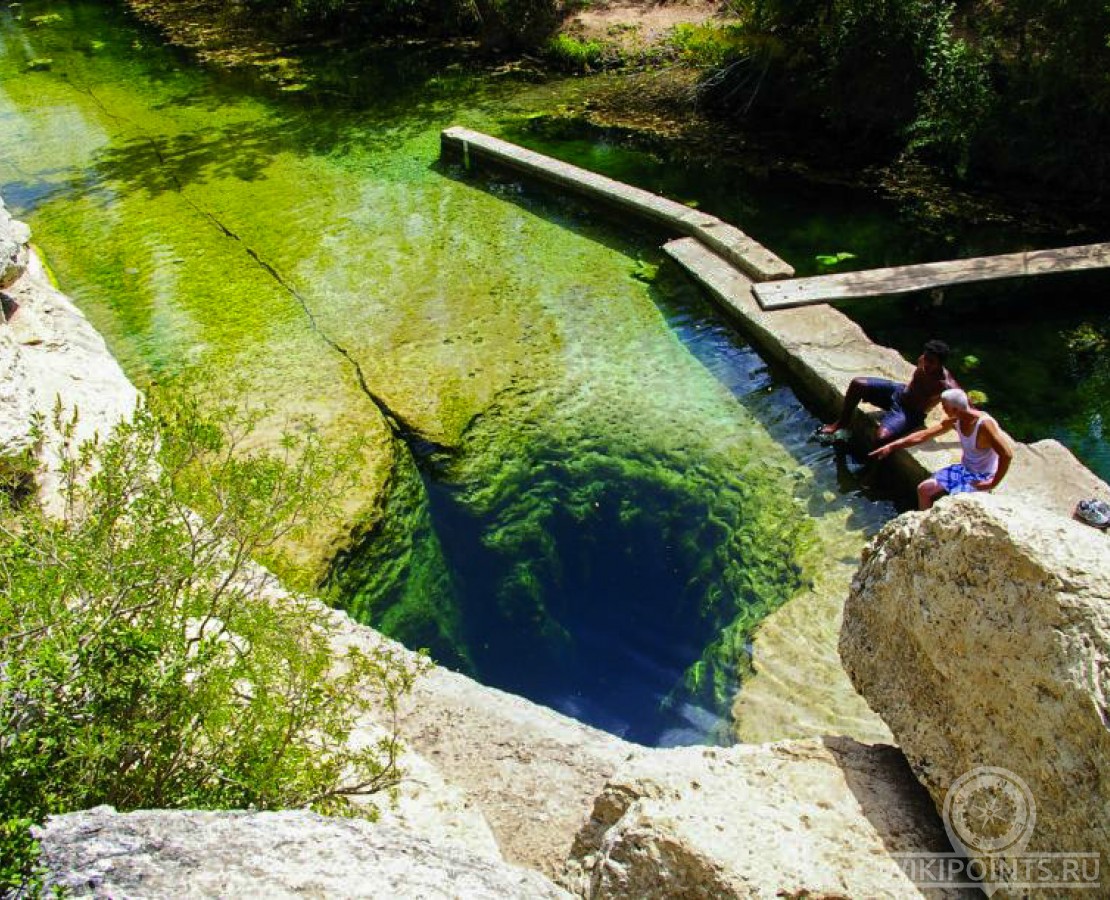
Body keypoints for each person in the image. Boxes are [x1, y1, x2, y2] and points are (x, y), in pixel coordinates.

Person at [870, 388, 1013, 510]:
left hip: (983, 476)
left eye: (944, 406)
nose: (942, 409)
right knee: (924, 489)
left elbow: (1006, 454)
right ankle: (923, 526)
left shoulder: (984, 425)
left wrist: (992, 482)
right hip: (964, 469)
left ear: (954, 409)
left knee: (954, 506)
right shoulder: (955, 420)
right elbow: (923, 435)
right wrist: (891, 446)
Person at [819, 339, 958, 446]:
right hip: (898, 392)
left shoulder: (946, 384)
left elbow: (969, 409)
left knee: (881, 438)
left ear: (941, 363)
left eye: (931, 362)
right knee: (857, 383)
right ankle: (842, 423)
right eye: (926, 358)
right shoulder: (923, 359)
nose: (926, 363)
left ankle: (871, 475)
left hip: (910, 412)